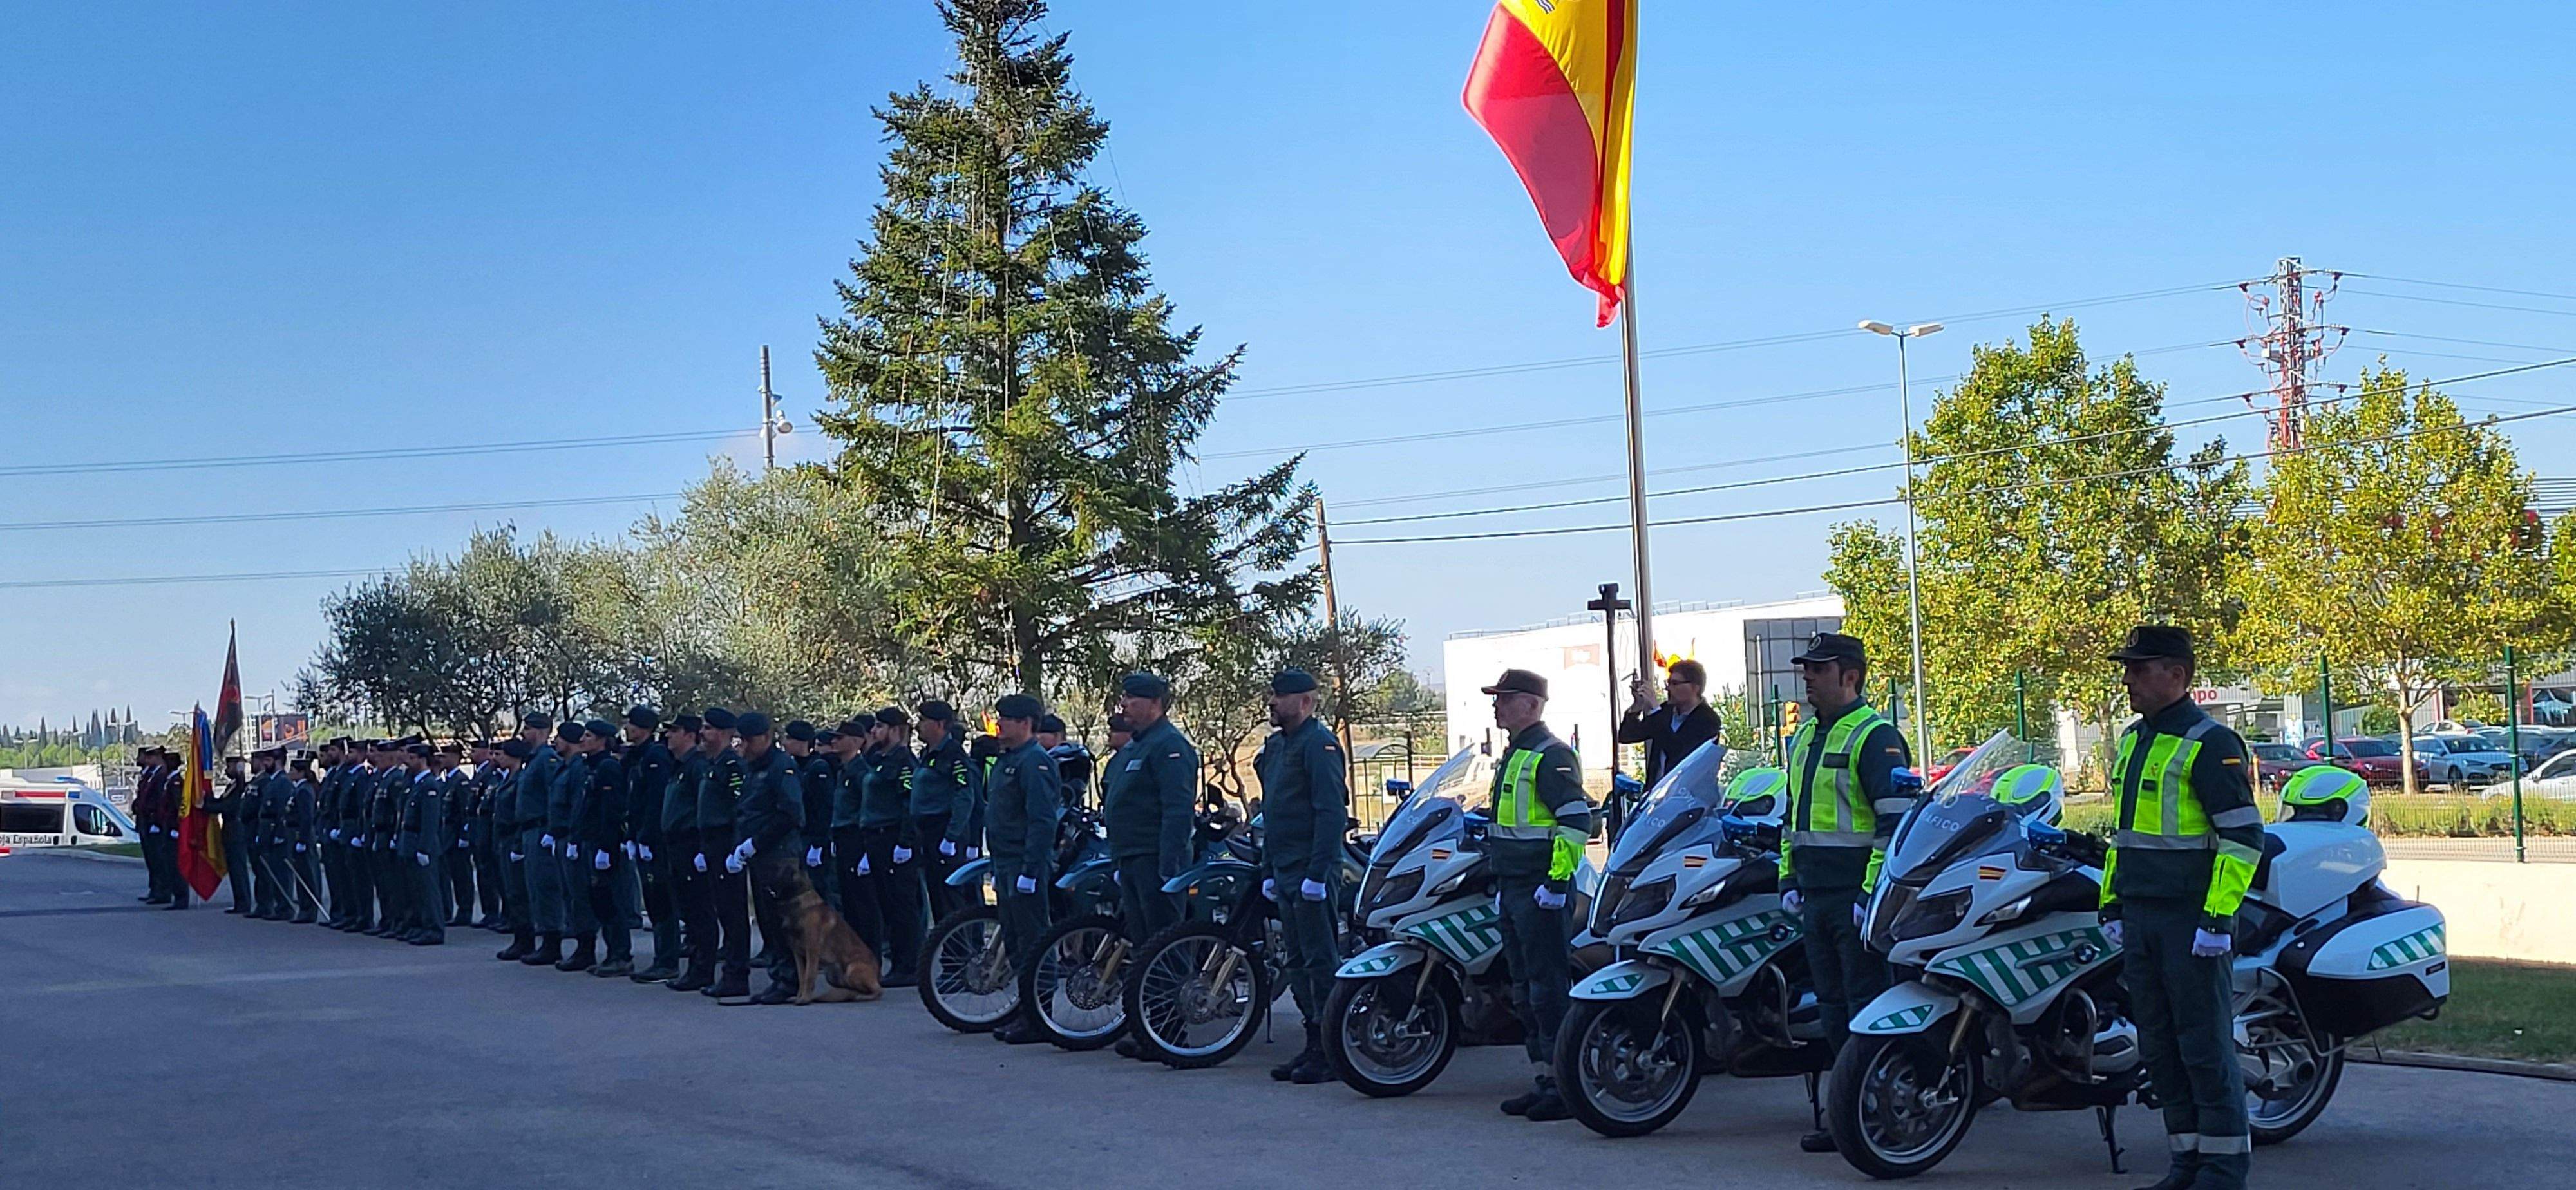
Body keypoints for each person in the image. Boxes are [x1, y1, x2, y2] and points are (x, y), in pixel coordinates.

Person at [2099, 626, 2260, 1190]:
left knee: (2203, 1047)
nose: (2128, 679)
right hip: (2142, 916)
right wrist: (2111, 904)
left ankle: (2223, 1170)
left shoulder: (2210, 743)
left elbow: (2243, 840)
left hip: (2190, 921)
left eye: (2140, 669)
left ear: (2178, 675)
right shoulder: (2134, 740)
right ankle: (2186, 1163)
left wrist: (2216, 919)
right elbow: (2124, 838)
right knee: (2160, 1048)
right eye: (2128, 668)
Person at [1776, 632, 1915, 1154]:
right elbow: (1793, 820)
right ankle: (1851, 1112)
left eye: (1819, 669)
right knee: (1833, 1008)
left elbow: (1894, 826)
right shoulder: (1806, 737)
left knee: (1865, 1005)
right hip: (1815, 896)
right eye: (1807, 669)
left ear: (1850, 676)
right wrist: (1788, 878)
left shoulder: (1875, 736)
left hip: (1853, 898)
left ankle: (1880, 1113)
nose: (1807, 677)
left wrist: (1869, 893)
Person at [1479, 668, 1591, 1121]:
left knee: (1547, 990)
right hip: (1514, 886)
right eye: (1496, 698)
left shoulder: (1550, 755)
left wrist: (1557, 883)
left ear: (1532, 705)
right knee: (1525, 989)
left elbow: (1576, 823)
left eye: (1505, 698)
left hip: (1539, 890)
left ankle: (1566, 1087)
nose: (1497, 706)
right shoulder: (1516, 753)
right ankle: (1545, 1079)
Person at [1255, 668, 1349, 1084]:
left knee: (1320, 960)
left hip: (1310, 869)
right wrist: (1268, 868)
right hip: (1285, 867)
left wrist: (1318, 873)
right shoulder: (1278, 746)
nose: (1272, 702)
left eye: (1281, 696)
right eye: (1272, 695)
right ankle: (1313, 1039)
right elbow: (1273, 813)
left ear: (1306, 702)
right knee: (1296, 961)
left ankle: (1331, 1049)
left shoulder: (1319, 745)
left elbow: (1330, 813)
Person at [985, 694, 1063, 1046]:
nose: (999, 724)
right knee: (1015, 939)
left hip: (1022, 861)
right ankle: (1025, 1007)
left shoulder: (1035, 762)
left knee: (1033, 940)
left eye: (1007, 719)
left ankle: (1039, 1014)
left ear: (1026, 723)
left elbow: (1042, 820)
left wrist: (1031, 869)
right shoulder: (1009, 759)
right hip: (1005, 861)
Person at [1102, 672, 1200, 944]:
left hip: (1153, 858)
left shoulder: (1169, 745)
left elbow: (1177, 809)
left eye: (1132, 698)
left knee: (1164, 944)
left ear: (1155, 703)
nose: (1124, 704)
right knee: (1142, 943)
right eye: (1124, 697)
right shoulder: (1135, 746)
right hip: (1130, 856)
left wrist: (1169, 866)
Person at [731, 712, 808, 1005]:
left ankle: (790, 979)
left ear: (765, 737)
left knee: (783, 920)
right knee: (767, 918)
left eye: (749, 740)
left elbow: (790, 814)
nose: (745, 746)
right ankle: (780, 975)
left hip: (779, 855)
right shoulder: (753, 767)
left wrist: (756, 843)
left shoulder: (781, 767)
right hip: (761, 854)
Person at [694, 707, 752, 999]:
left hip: (727, 844)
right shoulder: (712, 765)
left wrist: (735, 849)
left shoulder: (732, 766)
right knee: (722, 910)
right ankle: (730, 971)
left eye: (708, 728)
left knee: (733, 912)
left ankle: (736, 975)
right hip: (711, 843)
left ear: (724, 734)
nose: (702, 733)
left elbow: (738, 810)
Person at [621, 707, 681, 983]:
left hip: (655, 841)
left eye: (631, 724)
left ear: (643, 728)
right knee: (655, 900)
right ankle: (663, 957)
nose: (627, 728)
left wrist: (646, 836)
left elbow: (655, 800)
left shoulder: (655, 756)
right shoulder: (639, 756)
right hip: (642, 838)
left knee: (661, 900)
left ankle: (667, 961)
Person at [574, 719, 639, 977]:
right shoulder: (592, 766)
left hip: (605, 843)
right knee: (600, 900)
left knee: (612, 901)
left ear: (602, 740)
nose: (583, 740)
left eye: (588, 736)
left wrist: (606, 847)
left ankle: (621, 956)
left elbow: (612, 810)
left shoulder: (608, 767)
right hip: (592, 840)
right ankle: (613, 954)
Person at [662, 714, 719, 992]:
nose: (668, 736)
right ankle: (696, 966)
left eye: (674, 731)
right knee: (688, 908)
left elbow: (703, 808)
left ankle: (702, 969)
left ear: (689, 735)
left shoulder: (697, 766)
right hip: (676, 844)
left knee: (700, 910)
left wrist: (701, 847)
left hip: (691, 844)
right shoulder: (680, 766)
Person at [911, 700, 980, 924]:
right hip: (927, 832)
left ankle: (956, 946)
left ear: (940, 724)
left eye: (924, 721)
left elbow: (965, 796)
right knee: (936, 898)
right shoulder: (927, 753)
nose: (918, 725)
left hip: (943, 831)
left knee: (950, 899)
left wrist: (952, 836)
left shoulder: (953, 754)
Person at [1616, 657, 1723, 789]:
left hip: (1690, 795)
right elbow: (1627, 736)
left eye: (1675, 683)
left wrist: (1656, 710)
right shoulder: (1666, 711)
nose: (1668, 689)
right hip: (1657, 794)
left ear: (1695, 688)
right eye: (1668, 683)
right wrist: (1638, 705)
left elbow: (1678, 753)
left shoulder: (1708, 720)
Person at [515, 714, 567, 965]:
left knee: (546, 887)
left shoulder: (547, 759)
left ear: (541, 731)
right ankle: (543, 938)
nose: (523, 733)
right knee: (534, 887)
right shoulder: (534, 760)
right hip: (529, 830)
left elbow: (554, 796)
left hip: (541, 829)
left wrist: (551, 829)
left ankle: (552, 942)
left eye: (528, 729)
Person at [828, 717, 878, 953]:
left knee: (863, 903)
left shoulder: (861, 773)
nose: (834, 742)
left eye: (840, 738)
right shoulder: (843, 770)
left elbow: (866, 810)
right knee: (848, 900)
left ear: (857, 742)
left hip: (857, 839)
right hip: (842, 838)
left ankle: (869, 955)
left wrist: (866, 850)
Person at [490, 739, 536, 959]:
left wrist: (518, 844)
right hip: (503, 838)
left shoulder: (520, 780)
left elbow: (520, 814)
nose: (500, 759)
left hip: (514, 838)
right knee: (510, 890)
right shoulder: (507, 778)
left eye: (505, 755)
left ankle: (526, 939)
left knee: (518, 892)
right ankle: (520, 937)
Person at [786, 720, 835, 905]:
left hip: (813, 837)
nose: (785, 743)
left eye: (790, 738)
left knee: (819, 890)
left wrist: (818, 843)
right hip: (799, 837)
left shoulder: (818, 768)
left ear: (803, 742)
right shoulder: (793, 767)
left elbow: (824, 807)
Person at [335, 741, 379, 934]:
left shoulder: (361, 777)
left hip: (355, 829)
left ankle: (364, 917)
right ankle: (352, 914)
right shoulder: (348, 775)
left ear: (361, 754)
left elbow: (362, 808)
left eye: (351, 752)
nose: (348, 755)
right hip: (346, 829)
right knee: (348, 878)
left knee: (361, 879)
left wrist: (359, 833)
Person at [439, 742, 477, 929]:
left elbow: (464, 811)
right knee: (450, 874)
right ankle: (453, 910)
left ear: (456, 758)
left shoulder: (461, 781)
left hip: (456, 835)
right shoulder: (447, 781)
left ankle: (465, 911)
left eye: (446, 757)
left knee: (462, 876)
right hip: (446, 836)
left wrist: (464, 836)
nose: (442, 760)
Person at [211, 755, 254, 913]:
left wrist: (207, 807)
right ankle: (239, 901)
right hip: (229, 829)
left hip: (237, 830)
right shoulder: (233, 785)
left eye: (230, 767)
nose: (226, 770)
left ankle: (243, 902)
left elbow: (229, 806)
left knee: (238, 868)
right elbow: (222, 802)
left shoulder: (241, 786)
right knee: (234, 868)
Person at [282, 753, 321, 924]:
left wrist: (303, 840)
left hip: (301, 835)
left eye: (293, 770)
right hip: (294, 834)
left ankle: (309, 910)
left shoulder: (305, 790)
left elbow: (307, 817)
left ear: (301, 772)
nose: (290, 773)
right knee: (300, 873)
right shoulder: (297, 789)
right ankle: (304, 907)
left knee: (307, 874)